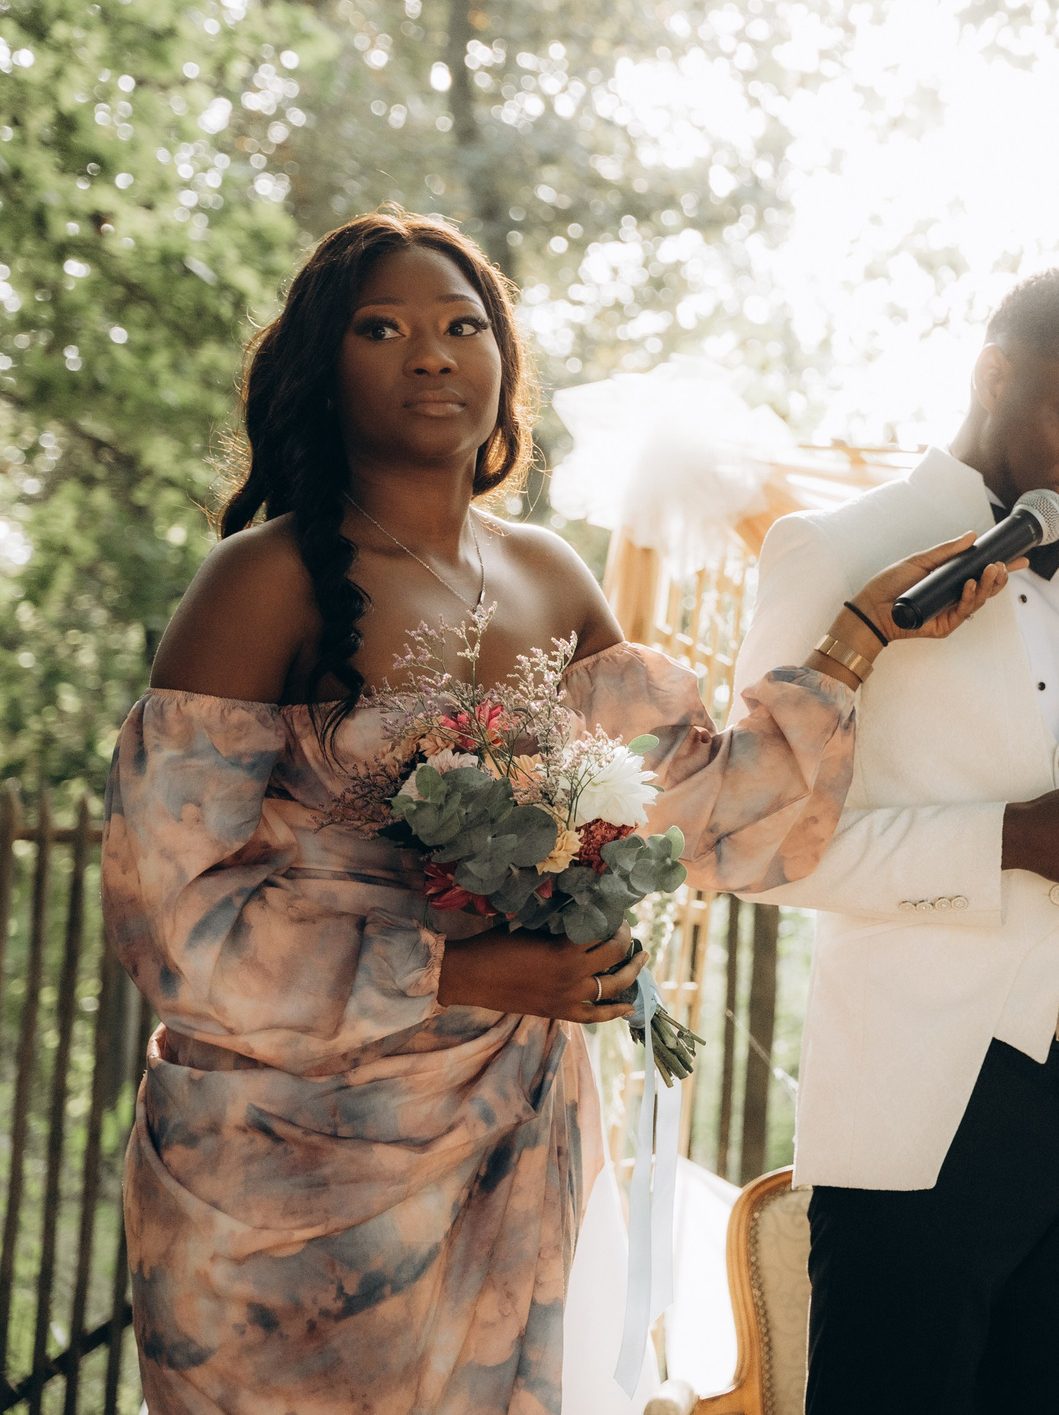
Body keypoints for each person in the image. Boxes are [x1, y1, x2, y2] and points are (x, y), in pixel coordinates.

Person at [103, 209, 1012, 1415]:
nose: (432, 353)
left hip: (509, 1139)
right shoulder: (258, 581)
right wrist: (462, 970)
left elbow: (690, 803)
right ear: (323, 371)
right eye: (383, 329)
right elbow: (170, 920)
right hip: (282, 1175)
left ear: (503, 364)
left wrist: (857, 643)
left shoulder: (549, 574)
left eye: (462, 325)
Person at [723, 264, 1059, 1413]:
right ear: (991, 374)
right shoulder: (835, 552)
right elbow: (752, 842)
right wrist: (1005, 838)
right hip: (927, 1098)